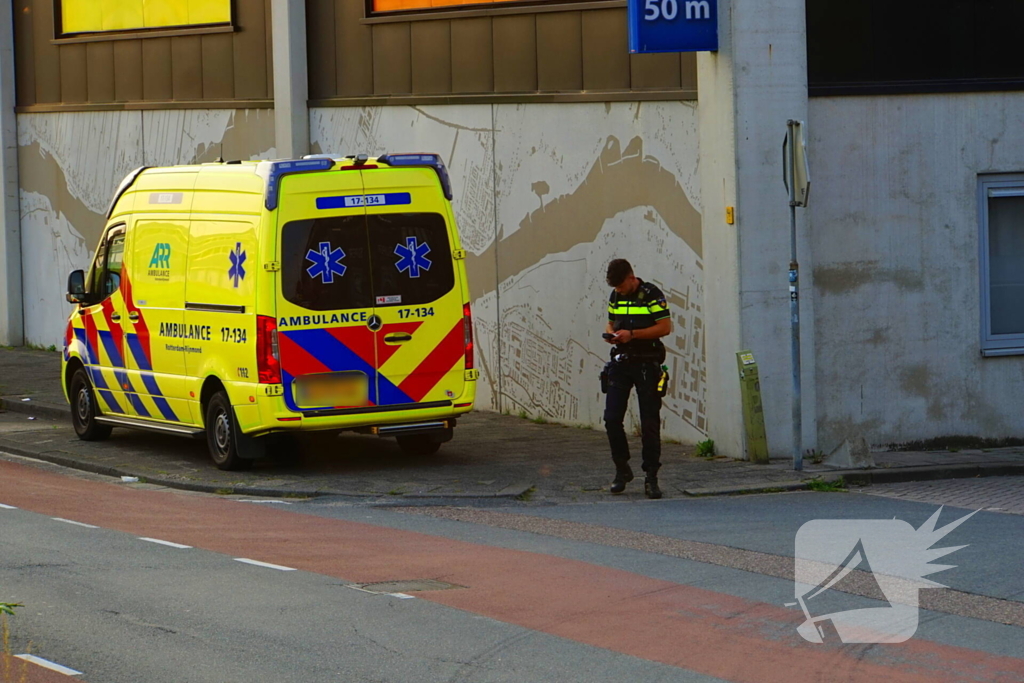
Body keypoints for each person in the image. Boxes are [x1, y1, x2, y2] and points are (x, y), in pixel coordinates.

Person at [602, 259, 672, 499]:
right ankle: (622, 469)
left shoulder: (652, 294)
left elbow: (665, 327)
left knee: (649, 422)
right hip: (621, 362)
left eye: (621, 286)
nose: (618, 291)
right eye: (616, 288)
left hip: (646, 363)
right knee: (611, 418)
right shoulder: (615, 295)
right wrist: (612, 333)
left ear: (632, 278)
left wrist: (632, 335)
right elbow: (611, 320)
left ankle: (651, 476)